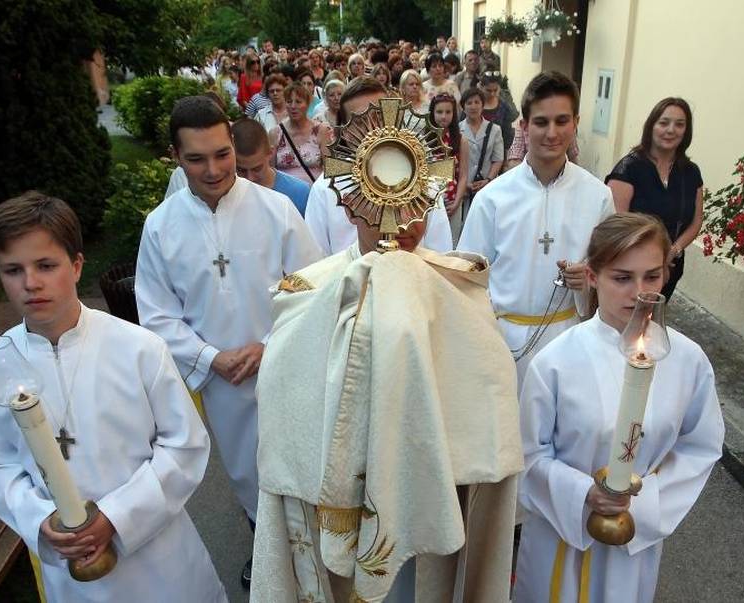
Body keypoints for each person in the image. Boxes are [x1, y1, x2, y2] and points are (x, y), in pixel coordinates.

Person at [250, 82, 523, 601]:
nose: (393, 217)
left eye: (409, 204)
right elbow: (285, 397)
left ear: (426, 204)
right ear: (349, 207)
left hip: (430, 522)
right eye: (370, 205)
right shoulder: (307, 294)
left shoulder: (458, 292)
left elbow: (487, 401)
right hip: (340, 522)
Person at [0, 192, 227, 602]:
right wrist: (39, 517)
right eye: (13, 270)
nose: (31, 283)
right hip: (72, 567)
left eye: (46, 265)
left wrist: (118, 517)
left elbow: (185, 444)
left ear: (77, 265)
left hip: (160, 558)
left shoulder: (138, 348)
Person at [135, 96, 322, 589]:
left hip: (283, 366)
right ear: (176, 156)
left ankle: (314, 562)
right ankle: (266, 558)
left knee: (302, 465)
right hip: (221, 382)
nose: (214, 169)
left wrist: (267, 345)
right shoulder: (161, 227)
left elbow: (312, 287)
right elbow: (156, 314)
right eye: (197, 158)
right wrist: (210, 358)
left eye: (222, 154)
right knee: (246, 475)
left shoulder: (277, 209)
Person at [514, 212, 724, 602]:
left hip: (635, 544)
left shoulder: (687, 360)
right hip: (562, 535)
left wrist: (644, 506)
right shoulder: (557, 361)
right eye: (622, 277)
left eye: (652, 276)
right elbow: (528, 455)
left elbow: (700, 446)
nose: (640, 292)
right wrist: (583, 494)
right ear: (593, 276)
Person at [457, 72, 614, 383]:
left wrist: (587, 279)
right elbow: (467, 279)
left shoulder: (598, 196)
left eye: (562, 121)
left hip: (570, 338)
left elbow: (613, 273)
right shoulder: (492, 198)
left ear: (576, 122)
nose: (552, 133)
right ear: (524, 127)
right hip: (504, 342)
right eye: (541, 122)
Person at [304, 78, 453, 255]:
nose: (373, 129)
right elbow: (317, 259)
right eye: (361, 122)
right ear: (346, 133)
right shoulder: (325, 188)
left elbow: (440, 252)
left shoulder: (425, 178)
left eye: (379, 117)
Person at [606, 98, 703, 300]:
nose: (671, 130)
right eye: (664, 122)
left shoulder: (691, 172)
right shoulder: (629, 169)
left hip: (671, 266)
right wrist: (654, 257)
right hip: (631, 268)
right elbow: (616, 226)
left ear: (686, 130)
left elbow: (696, 221)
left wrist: (673, 251)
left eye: (679, 124)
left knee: (652, 324)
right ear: (652, 126)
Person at [233, 118, 311, 216]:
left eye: (257, 169)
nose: (250, 178)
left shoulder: (300, 193)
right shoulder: (226, 194)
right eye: (241, 170)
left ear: (271, 152)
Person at [459, 87, 504, 238]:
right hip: (463, 188)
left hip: (486, 186)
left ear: (482, 105)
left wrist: (488, 180)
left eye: (477, 102)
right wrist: (463, 183)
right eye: (469, 103)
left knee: (485, 228)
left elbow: (498, 158)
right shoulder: (458, 130)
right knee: (463, 227)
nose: (473, 106)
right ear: (463, 106)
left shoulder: (494, 129)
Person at [269, 82, 330, 184]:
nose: (293, 106)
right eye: (289, 102)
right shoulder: (275, 133)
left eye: (298, 102)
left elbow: (330, 169)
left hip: (313, 193)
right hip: (285, 195)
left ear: (307, 104)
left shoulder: (321, 130)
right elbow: (270, 169)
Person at [430, 93, 469, 246]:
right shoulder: (424, 139)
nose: (444, 116)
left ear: (454, 114)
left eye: (448, 112)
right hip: (431, 202)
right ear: (432, 113)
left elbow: (464, 175)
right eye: (439, 112)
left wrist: (457, 201)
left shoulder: (461, 141)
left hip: (453, 200)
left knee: (451, 242)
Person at [479, 73, 518, 155]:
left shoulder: (504, 106)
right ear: (481, 87)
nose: (492, 94)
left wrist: (507, 155)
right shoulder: (474, 103)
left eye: (495, 90)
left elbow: (507, 133)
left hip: (497, 152)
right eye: (488, 90)